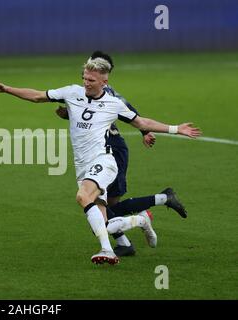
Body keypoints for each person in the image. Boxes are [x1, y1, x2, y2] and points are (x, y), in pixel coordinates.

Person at [0, 56, 201, 265]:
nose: (86, 83)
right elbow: (38, 96)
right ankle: (141, 221)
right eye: (85, 78)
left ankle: (107, 251)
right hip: (82, 166)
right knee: (102, 224)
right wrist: (6, 89)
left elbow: (142, 122)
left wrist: (176, 129)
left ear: (104, 82)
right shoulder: (71, 92)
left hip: (104, 161)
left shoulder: (113, 104)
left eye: (91, 80)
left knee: (82, 196)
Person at [55, 51, 188, 257]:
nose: (87, 71)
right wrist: (67, 113)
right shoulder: (84, 90)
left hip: (112, 149)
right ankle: (125, 242)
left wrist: (147, 131)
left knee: (106, 208)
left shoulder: (109, 94)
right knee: (104, 208)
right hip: (98, 151)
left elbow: (132, 114)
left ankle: (159, 202)